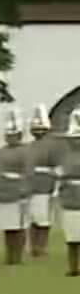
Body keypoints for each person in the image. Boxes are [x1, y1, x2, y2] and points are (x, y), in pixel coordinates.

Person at [0, 109, 33, 266]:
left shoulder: (25, 151)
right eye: (8, 135)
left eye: (13, 135)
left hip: (19, 191)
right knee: (8, 227)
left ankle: (18, 255)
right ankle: (9, 254)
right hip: (5, 192)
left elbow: (29, 172)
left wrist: (25, 189)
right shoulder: (1, 152)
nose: (10, 138)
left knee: (19, 226)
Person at [27, 104, 62, 259]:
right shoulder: (30, 146)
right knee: (32, 218)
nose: (38, 132)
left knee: (42, 218)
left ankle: (42, 246)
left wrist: (55, 185)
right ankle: (33, 247)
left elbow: (57, 167)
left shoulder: (53, 146)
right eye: (35, 129)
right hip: (30, 185)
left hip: (44, 185)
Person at [60, 109, 80, 277]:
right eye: (73, 139)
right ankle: (73, 267)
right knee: (72, 238)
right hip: (70, 199)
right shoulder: (65, 156)